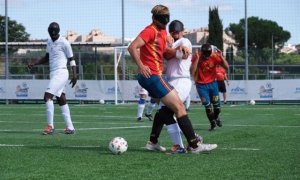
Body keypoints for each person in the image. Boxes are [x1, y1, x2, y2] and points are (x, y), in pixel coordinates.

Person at [128, 5, 217, 153]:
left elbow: (165, 51)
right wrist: (141, 65)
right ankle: (193, 145)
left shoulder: (163, 32)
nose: (165, 24)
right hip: (153, 77)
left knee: (165, 111)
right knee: (178, 108)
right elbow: (132, 47)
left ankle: (154, 142)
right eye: (163, 20)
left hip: (156, 77)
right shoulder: (150, 30)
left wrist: (178, 50)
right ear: (154, 19)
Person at [28, 22, 77, 135]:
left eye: (55, 31)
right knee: (61, 99)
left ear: (58, 31)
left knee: (47, 96)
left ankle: (50, 126)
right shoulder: (49, 42)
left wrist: (75, 75)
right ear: (49, 31)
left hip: (61, 72)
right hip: (53, 73)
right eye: (51, 31)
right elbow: (47, 57)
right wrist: (35, 63)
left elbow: (71, 59)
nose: (53, 33)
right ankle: (70, 127)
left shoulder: (64, 42)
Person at [191, 43, 229, 131]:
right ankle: (212, 123)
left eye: (209, 53)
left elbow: (226, 66)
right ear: (202, 52)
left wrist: (221, 56)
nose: (207, 56)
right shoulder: (197, 56)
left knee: (217, 108)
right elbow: (192, 72)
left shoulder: (214, 56)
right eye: (205, 54)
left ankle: (216, 118)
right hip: (201, 86)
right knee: (207, 106)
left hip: (213, 84)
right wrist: (196, 59)